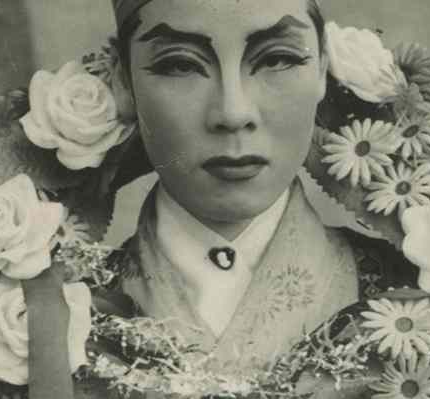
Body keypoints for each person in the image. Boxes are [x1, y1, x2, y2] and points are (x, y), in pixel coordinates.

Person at [106, 0, 378, 372]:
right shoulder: (45, 318)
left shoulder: (429, 302)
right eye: (180, 64)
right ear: (124, 81)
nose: (233, 113)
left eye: (276, 59)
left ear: (323, 69)